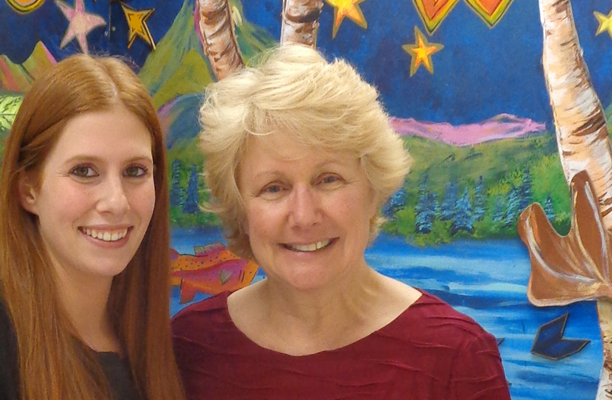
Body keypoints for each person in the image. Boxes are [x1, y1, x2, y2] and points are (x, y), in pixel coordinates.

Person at [171, 45, 510, 400]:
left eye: (328, 179)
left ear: (373, 190)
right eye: (274, 187)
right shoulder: (187, 349)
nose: (303, 215)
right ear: (241, 209)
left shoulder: (458, 360)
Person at [0, 54, 186, 400]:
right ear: (28, 190)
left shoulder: (150, 348)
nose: (117, 201)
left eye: (135, 171)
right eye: (84, 171)